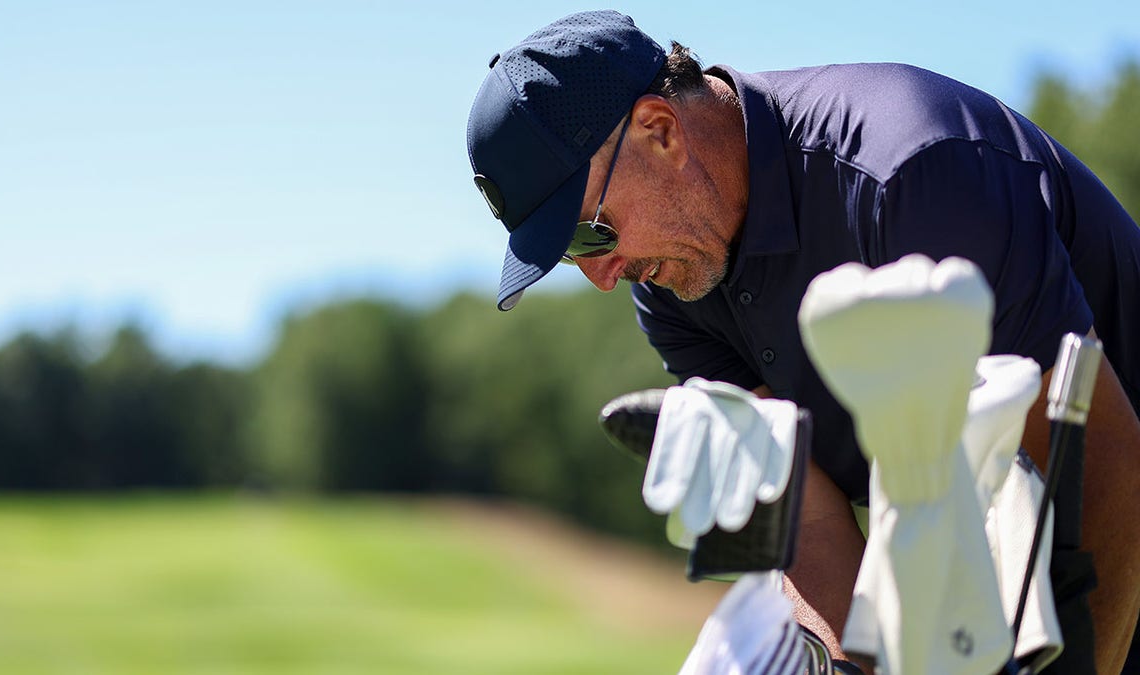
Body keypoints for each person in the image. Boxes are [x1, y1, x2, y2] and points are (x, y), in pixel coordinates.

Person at [466, 9, 1140, 673]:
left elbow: (1110, 466)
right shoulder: (672, 283)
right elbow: (807, 515)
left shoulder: (905, 178)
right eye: (566, 257)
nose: (602, 278)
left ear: (661, 131)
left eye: (592, 233)